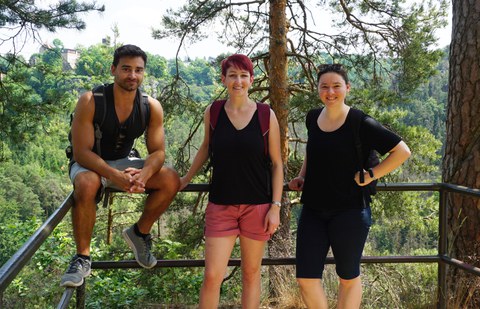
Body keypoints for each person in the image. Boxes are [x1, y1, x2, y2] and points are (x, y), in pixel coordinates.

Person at [288, 63, 411, 308]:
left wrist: (372, 174)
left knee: (348, 277)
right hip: (313, 209)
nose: (330, 92)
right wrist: (302, 175)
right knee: (306, 278)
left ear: (347, 88)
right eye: (324, 86)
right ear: (318, 89)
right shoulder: (313, 117)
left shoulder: (360, 121)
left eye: (336, 86)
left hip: (351, 211)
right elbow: (312, 151)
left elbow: (402, 151)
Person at [60, 44, 180, 288]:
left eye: (138, 70)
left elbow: (158, 152)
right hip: (90, 163)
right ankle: (82, 258)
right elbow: (82, 153)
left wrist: (144, 174)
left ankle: (139, 233)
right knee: (87, 182)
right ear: (114, 70)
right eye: (126, 69)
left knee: (170, 179)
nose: (132, 76)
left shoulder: (150, 106)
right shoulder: (91, 101)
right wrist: (115, 175)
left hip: (125, 161)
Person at [179, 54, 283, 308]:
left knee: (250, 274)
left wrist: (275, 207)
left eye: (243, 75)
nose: (238, 81)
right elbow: (205, 148)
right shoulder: (214, 112)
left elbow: (277, 163)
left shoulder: (265, 114)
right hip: (221, 205)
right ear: (223, 79)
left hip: (257, 206)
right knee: (212, 275)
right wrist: (184, 179)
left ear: (251, 79)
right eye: (232, 75)